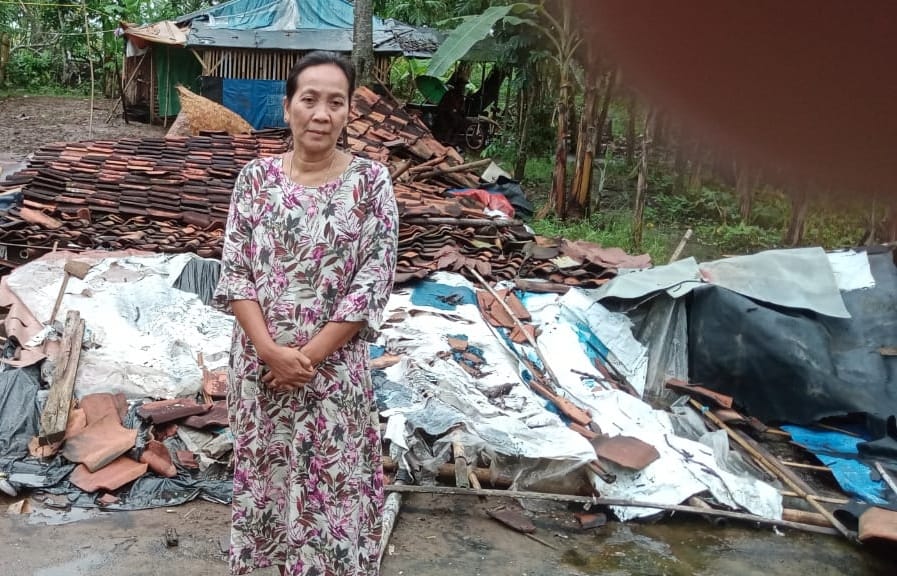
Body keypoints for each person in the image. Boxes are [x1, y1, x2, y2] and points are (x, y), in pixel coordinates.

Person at [213, 50, 399, 576]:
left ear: (347, 113)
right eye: (310, 99)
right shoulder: (255, 179)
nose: (321, 113)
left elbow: (371, 281)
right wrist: (271, 353)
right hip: (260, 372)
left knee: (331, 493)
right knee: (266, 485)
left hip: (332, 372)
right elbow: (236, 272)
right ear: (289, 104)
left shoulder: (370, 183)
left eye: (335, 102)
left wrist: (306, 359)